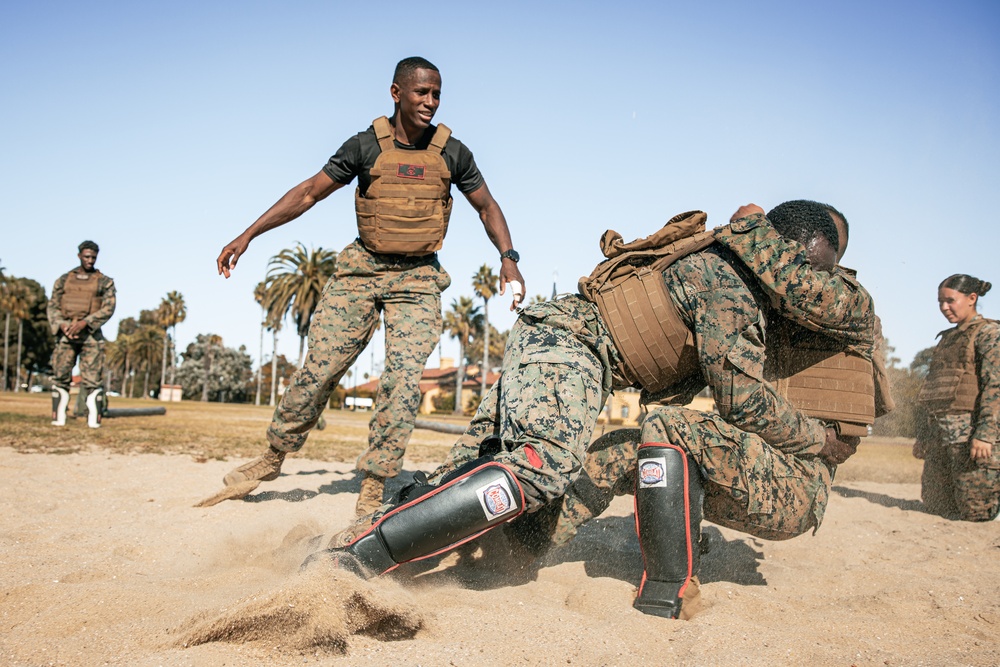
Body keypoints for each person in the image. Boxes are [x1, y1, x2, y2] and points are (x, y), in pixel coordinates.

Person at [312, 201, 880, 620]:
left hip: (559, 339)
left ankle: (365, 537)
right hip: (570, 345)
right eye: (818, 269)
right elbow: (740, 398)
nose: (816, 285)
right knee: (541, 463)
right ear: (793, 255)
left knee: (475, 471)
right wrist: (815, 438)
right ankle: (355, 561)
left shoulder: (728, 266)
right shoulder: (729, 284)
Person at [216, 56, 525, 516]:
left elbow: (486, 206)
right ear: (396, 93)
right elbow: (308, 193)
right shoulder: (365, 146)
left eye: (437, 93)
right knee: (320, 369)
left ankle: (375, 482)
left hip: (418, 278)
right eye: (421, 92)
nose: (431, 101)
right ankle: (272, 456)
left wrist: (509, 258)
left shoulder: (453, 153)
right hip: (361, 269)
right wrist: (249, 234)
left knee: (402, 381)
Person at [913, 274, 1000, 521]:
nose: (944, 308)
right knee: (935, 506)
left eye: (950, 301)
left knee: (976, 513)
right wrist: (923, 436)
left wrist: (985, 435)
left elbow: (996, 388)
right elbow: (930, 393)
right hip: (940, 440)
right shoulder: (948, 338)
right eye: (940, 302)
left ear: (972, 298)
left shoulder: (989, 334)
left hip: (971, 441)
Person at [47, 240, 117, 428]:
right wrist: (62, 325)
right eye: (87, 256)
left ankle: (94, 420)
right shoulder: (63, 280)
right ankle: (58, 418)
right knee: (60, 376)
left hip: (91, 337)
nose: (90, 260)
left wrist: (86, 323)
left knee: (93, 380)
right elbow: (52, 305)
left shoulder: (104, 281)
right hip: (66, 336)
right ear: (79, 256)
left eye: (93, 257)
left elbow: (109, 308)